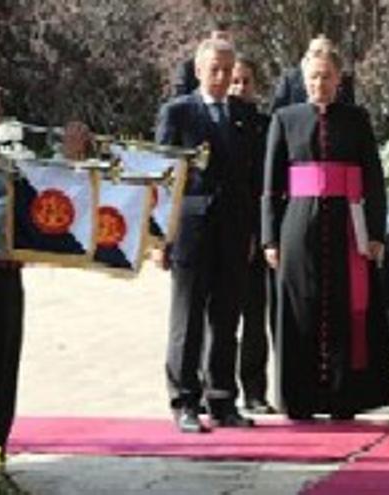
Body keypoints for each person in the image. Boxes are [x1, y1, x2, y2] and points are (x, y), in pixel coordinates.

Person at [0, 67, 91, 448]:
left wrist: (61, 159)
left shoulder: (2, 147)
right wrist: (60, 161)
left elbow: (27, 181)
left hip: (9, 270)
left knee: (6, 368)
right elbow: (8, 190)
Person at [262, 47, 389, 421]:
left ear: (339, 79)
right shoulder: (285, 119)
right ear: (304, 80)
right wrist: (269, 238)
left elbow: (372, 178)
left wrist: (374, 233)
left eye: (326, 76)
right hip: (298, 225)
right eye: (313, 77)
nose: (320, 84)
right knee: (299, 308)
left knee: (345, 308)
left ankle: (344, 397)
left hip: (347, 224)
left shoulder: (357, 119)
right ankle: (300, 397)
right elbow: (272, 187)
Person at [155, 38, 260, 433]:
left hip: (233, 228)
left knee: (226, 316)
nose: (221, 77)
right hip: (191, 228)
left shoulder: (245, 115)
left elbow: (252, 178)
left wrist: (253, 231)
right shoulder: (178, 112)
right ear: (199, 71)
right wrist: (162, 235)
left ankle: (222, 399)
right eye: (213, 69)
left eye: (227, 70)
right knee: (188, 316)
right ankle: (185, 399)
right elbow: (163, 177)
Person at [228, 57, 277, 414]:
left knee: (256, 319)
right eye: (234, 81)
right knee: (219, 320)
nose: (239, 87)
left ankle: (256, 392)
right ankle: (214, 388)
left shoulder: (267, 126)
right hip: (222, 233)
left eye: (246, 81)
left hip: (258, 233)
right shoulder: (212, 123)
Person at [268, 35, 356, 113]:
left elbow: (349, 106)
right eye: (317, 52)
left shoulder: (344, 79)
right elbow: (277, 108)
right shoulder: (290, 78)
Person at [172, 21, 234, 97]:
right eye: (218, 38)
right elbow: (180, 96)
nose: (222, 43)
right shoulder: (188, 68)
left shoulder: (236, 67)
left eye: (225, 39)